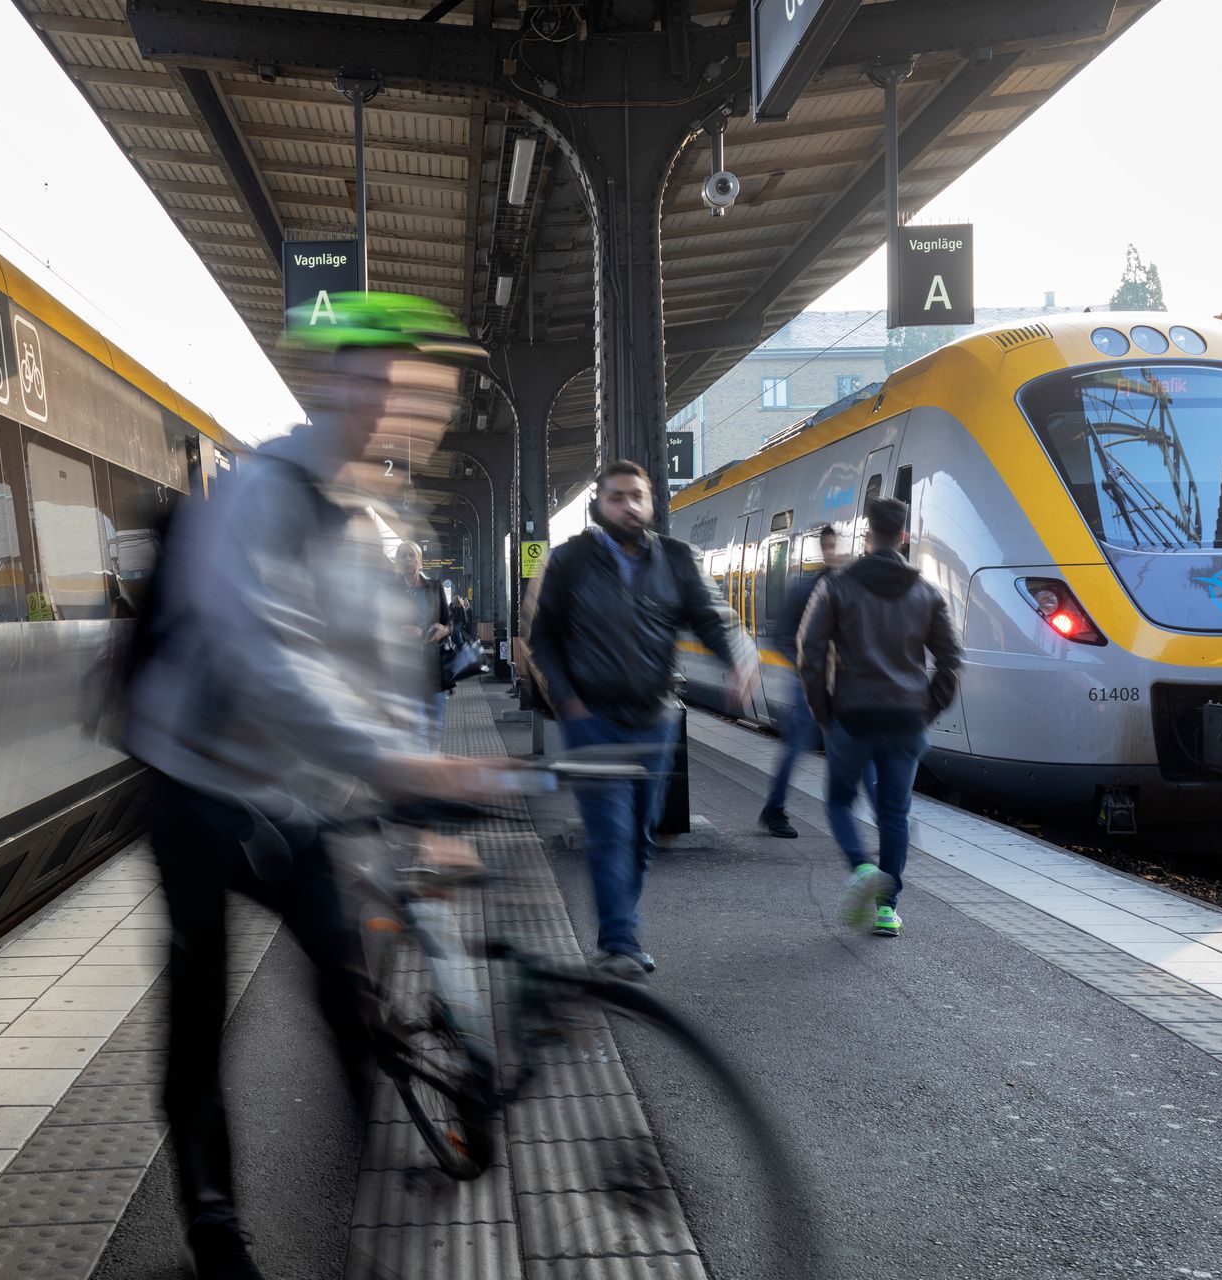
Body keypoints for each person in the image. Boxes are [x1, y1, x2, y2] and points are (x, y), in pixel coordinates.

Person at [121, 293, 506, 1280]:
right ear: (335, 385)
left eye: (416, 393)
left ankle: (372, 1194)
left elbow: (379, 678)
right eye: (378, 383)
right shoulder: (259, 492)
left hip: (291, 800)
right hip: (196, 788)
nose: (398, 408)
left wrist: (422, 804)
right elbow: (265, 656)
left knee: (347, 986)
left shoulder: (371, 518)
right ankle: (215, 1221)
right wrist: (394, 763)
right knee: (200, 998)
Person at [529, 460, 757, 980]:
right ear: (598, 506)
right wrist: (567, 700)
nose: (629, 506)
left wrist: (737, 656)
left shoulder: (677, 560)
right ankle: (618, 941)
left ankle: (620, 932)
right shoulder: (569, 562)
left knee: (641, 835)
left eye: (638, 496)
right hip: (592, 720)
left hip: (653, 721)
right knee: (611, 831)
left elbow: (710, 617)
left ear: (651, 502)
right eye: (617, 497)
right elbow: (543, 638)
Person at [796, 496, 962, 938]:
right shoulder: (927, 592)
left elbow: (809, 653)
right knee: (894, 814)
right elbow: (951, 659)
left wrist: (822, 710)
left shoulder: (836, 587)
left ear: (866, 536)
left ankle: (862, 868)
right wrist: (927, 708)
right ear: (904, 537)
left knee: (837, 801)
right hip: (906, 720)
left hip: (851, 716)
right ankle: (887, 909)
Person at [759, 524, 859, 839]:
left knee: (850, 748)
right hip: (807, 685)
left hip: (845, 687)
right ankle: (774, 809)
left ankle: (855, 811)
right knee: (797, 746)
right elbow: (779, 636)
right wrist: (807, 665)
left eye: (836, 546)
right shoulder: (806, 590)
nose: (832, 552)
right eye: (827, 547)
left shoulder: (855, 590)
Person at [394, 541, 451, 749]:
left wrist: (444, 630)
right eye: (402, 556)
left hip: (435, 665)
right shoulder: (391, 590)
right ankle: (427, 771)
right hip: (406, 667)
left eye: (411, 556)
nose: (407, 560)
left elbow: (449, 621)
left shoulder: (435, 587)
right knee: (418, 723)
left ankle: (431, 762)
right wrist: (400, 630)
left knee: (435, 726)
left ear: (420, 560)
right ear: (397, 562)